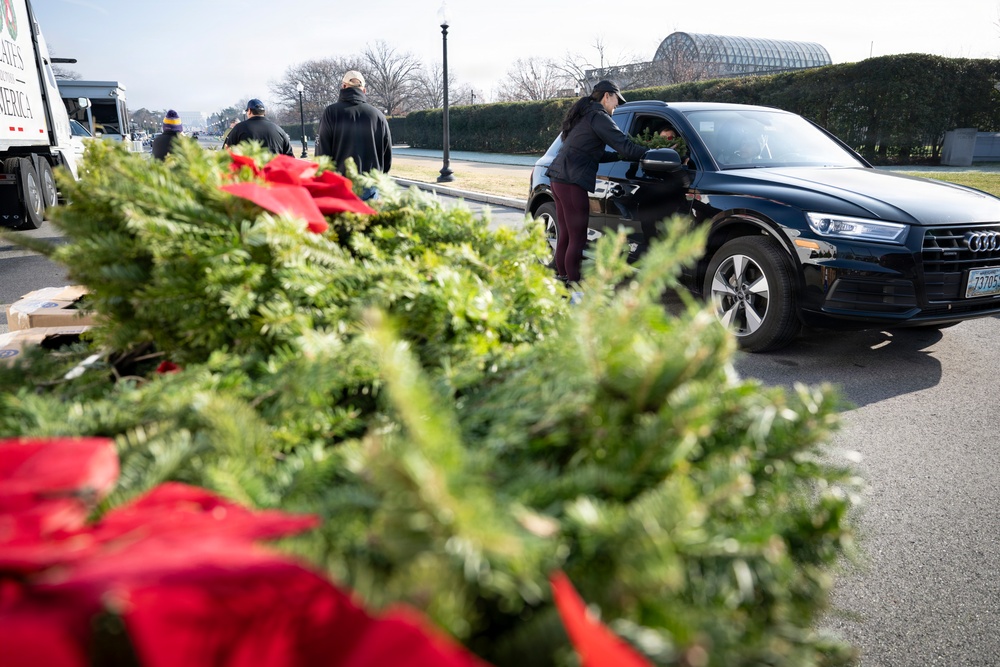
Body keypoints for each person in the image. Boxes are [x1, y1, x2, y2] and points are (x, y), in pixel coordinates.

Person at [545, 80, 648, 285]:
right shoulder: (598, 116)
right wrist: (649, 151)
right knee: (577, 237)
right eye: (617, 99)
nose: (617, 105)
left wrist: (618, 158)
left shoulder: (585, 115)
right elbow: (624, 145)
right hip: (572, 182)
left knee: (566, 232)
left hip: (559, 179)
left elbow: (592, 153)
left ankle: (563, 277)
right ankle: (573, 283)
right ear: (607, 96)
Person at [316, 70, 392, 199]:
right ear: (364, 90)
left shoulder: (331, 112)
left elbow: (322, 152)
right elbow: (387, 155)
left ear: (344, 86)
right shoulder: (378, 116)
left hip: (340, 185)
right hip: (370, 185)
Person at [223, 98, 293, 156]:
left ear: (249, 111)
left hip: (248, 171)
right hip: (274, 171)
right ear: (264, 112)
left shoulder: (239, 128)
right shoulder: (279, 130)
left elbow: (227, 152)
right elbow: (290, 157)